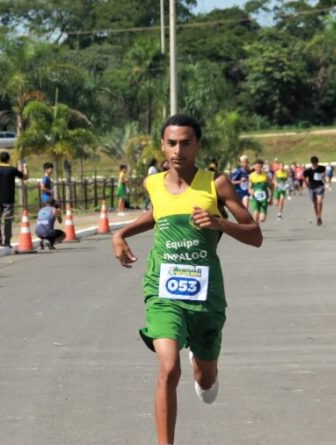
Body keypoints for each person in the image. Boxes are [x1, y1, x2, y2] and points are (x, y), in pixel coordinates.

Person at [111, 114, 262, 445]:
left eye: (186, 143)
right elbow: (159, 213)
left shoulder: (216, 184)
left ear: (198, 145)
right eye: (171, 143)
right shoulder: (153, 184)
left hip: (206, 293)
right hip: (163, 289)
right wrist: (122, 232)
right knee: (168, 368)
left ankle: (204, 365)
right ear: (163, 145)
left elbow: (255, 235)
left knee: (204, 381)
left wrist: (220, 223)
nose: (178, 150)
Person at [0, 151, 28, 247]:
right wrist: (25, 167)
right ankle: (7, 241)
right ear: (8, 159)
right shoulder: (12, 169)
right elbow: (25, 177)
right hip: (9, 199)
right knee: (8, 220)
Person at [304, 156, 327, 226]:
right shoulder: (308, 171)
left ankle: (319, 216)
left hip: (320, 186)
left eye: (316, 163)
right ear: (312, 163)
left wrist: (324, 177)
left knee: (319, 202)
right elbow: (305, 178)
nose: (315, 164)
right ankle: (317, 216)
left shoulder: (322, 168)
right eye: (314, 163)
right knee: (315, 204)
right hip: (312, 188)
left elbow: (324, 174)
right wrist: (306, 184)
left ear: (317, 162)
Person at [248, 159, 271, 224]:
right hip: (255, 197)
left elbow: (271, 186)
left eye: (260, 167)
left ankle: (256, 225)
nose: (259, 168)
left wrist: (271, 198)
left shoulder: (266, 175)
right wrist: (250, 191)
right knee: (255, 213)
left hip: (264, 197)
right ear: (254, 167)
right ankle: (255, 228)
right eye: (257, 167)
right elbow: (249, 188)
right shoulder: (251, 176)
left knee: (262, 219)